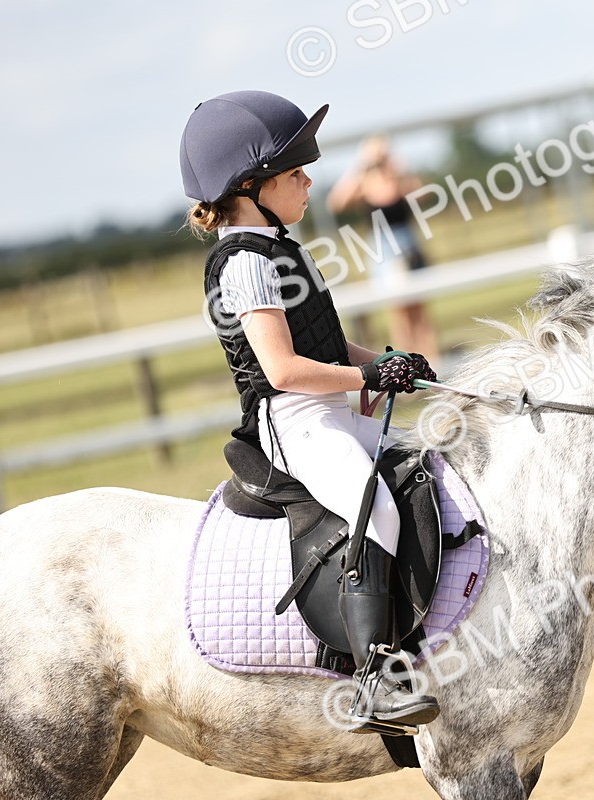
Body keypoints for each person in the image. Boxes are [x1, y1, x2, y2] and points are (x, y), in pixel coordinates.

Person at [180, 90, 439, 729]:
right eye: (295, 173)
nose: (308, 180)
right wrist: (363, 375)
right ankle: (376, 676)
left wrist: (385, 363)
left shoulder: (281, 247)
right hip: (291, 422)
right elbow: (283, 371)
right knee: (369, 505)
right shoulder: (242, 262)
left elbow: (320, 344)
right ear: (250, 185)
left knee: (429, 467)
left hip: (323, 409)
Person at [327, 136, 440, 365]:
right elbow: (336, 202)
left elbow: (424, 192)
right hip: (384, 252)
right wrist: (361, 165)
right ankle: (407, 366)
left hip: (409, 246)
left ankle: (433, 363)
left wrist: (398, 166)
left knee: (420, 310)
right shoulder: (364, 184)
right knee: (398, 314)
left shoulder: (398, 180)